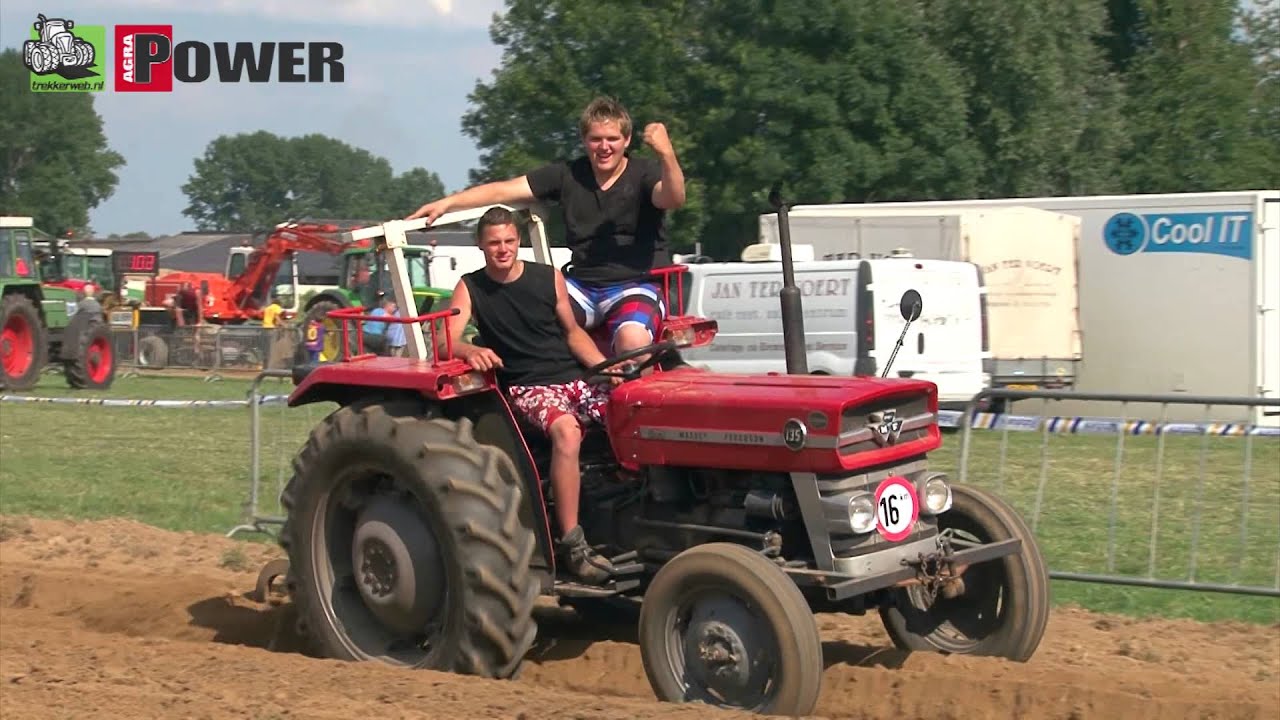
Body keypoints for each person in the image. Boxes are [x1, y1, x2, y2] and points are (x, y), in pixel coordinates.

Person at [410, 96, 686, 359]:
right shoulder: (568, 175)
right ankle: (553, 390)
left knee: (633, 341)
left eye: (612, 139)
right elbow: (503, 191)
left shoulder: (645, 172)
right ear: (584, 141)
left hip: (635, 284)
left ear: (626, 140)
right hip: (582, 286)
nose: (604, 147)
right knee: (530, 326)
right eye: (596, 139)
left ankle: (630, 400)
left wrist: (667, 154)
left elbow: (673, 198)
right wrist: (447, 203)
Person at [440, 206, 620, 585]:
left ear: (518, 241)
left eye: (508, 241)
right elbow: (446, 337)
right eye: (494, 244)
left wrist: (606, 368)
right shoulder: (471, 286)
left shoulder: (547, 278)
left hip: (571, 377)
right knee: (567, 431)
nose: (502, 250)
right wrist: (469, 351)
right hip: (527, 386)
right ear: (481, 246)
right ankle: (572, 542)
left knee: (630, 414)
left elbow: (572, 333)